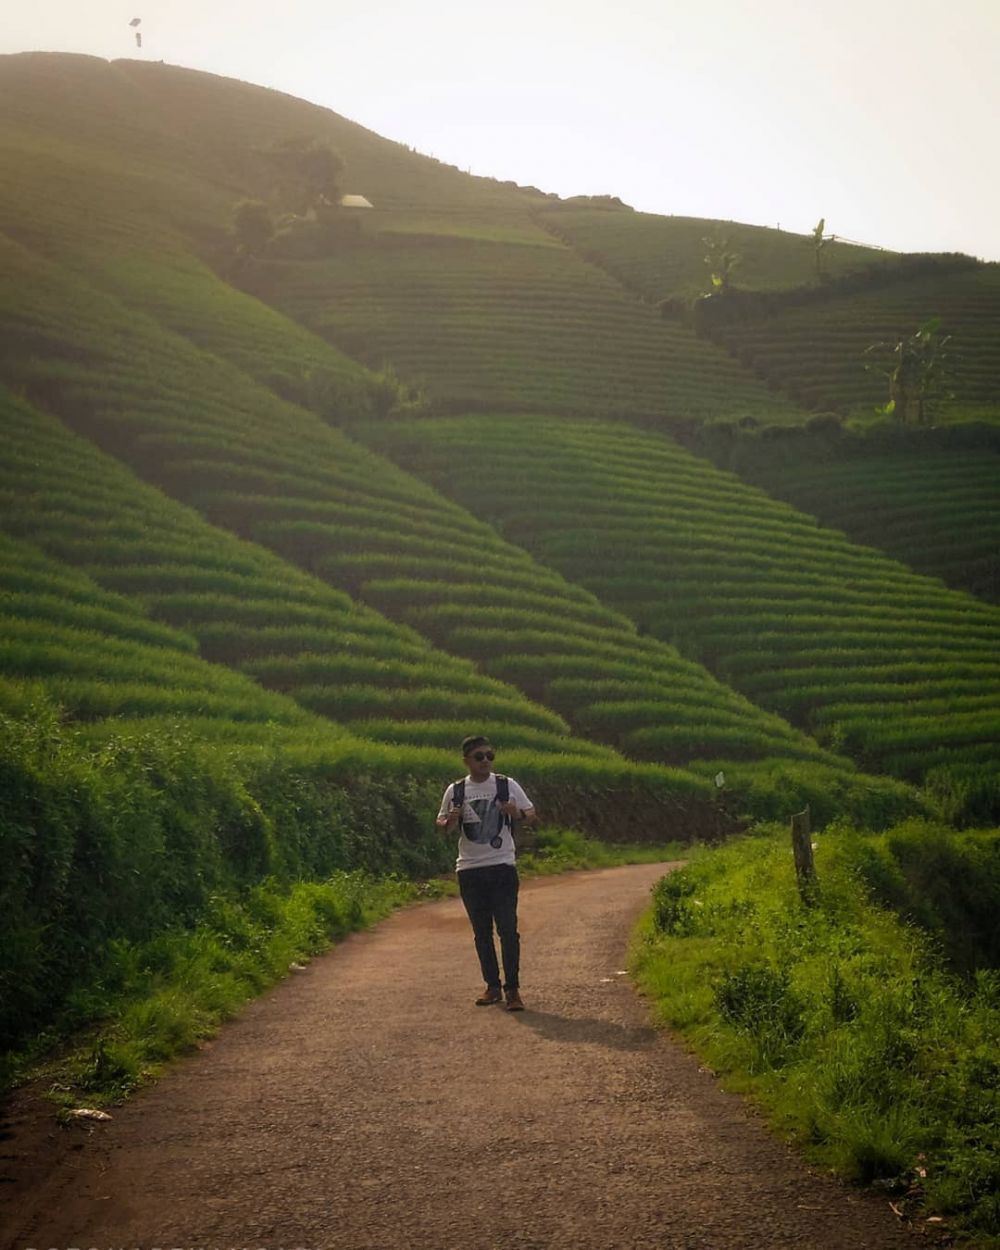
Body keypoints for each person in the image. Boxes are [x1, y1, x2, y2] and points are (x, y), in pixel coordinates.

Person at [436, 736, 536, 1011]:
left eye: (489, 756)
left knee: (507, 929)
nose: (486, 761)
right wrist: (449, 821)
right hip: (469, 869)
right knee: (481, 932)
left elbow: (531, 814)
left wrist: (516, 813)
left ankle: (512, 989)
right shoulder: (455, 790)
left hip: (502, 866)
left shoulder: (506, 784)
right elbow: (442, 824)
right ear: (466, 760)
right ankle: (492, 986)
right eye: (479, 757)